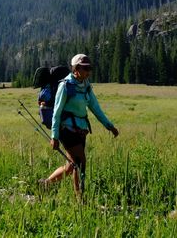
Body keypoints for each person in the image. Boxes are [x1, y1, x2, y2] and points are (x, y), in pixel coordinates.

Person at [40, 54, 119, 199]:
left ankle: (46, 184)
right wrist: (54, 136)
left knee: (70, 166)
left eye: (90, 68)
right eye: (85, 68)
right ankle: (80, 198)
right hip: (66, 130)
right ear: (76, 69)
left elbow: (95, 108)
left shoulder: (86, 87)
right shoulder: (65, 86)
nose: (88, 71)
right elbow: (56, 113)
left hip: (81, 130)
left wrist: (109, 126)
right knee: (80, 162)